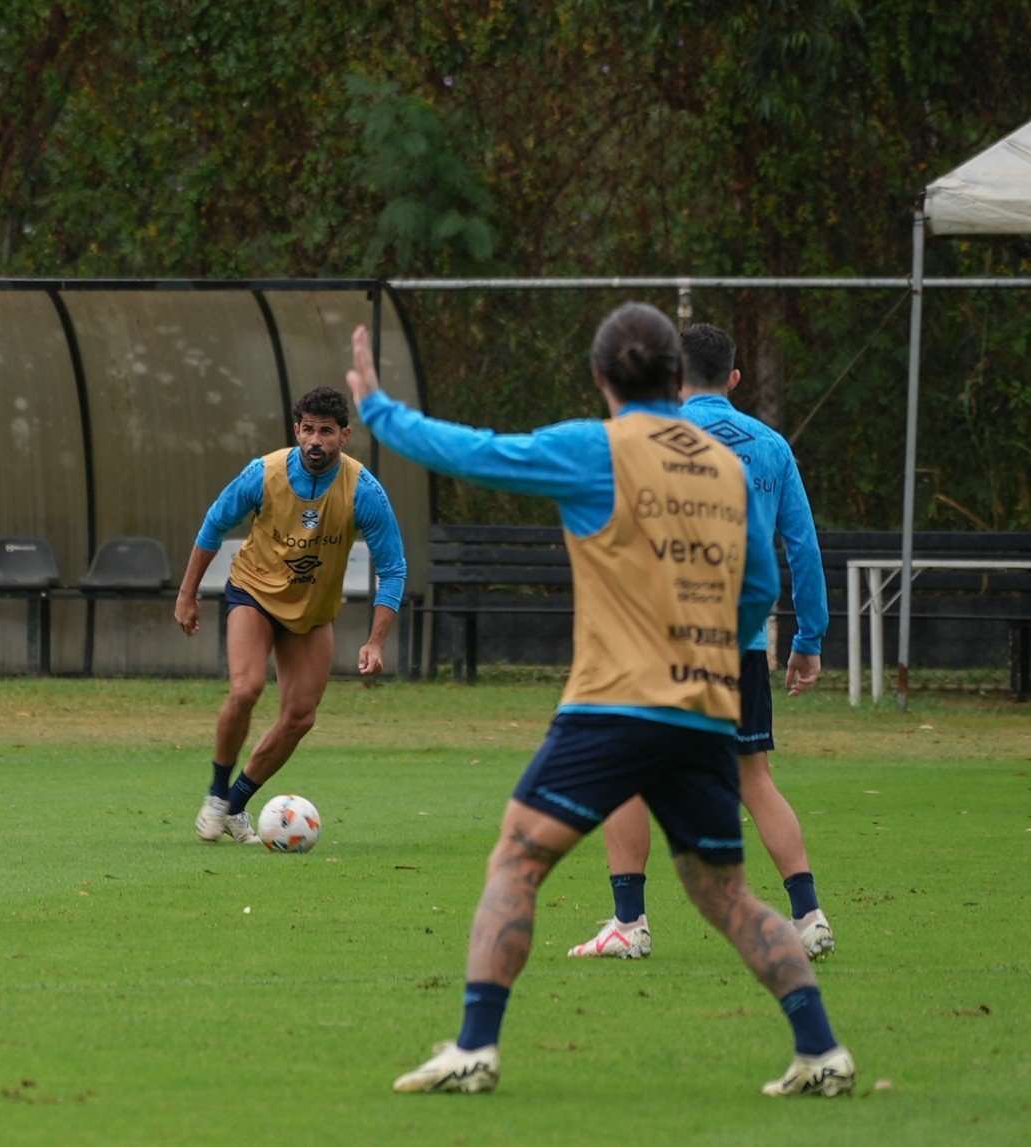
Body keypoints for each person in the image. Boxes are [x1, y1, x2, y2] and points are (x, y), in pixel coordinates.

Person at [348, 304, 853, 1097]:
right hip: (704, 707)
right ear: (673, 378)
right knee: (727, 895)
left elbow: (476, 453)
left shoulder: (598, 448)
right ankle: (822, 1051)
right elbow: (760, 582)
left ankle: (476, 1046)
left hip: (613, 706)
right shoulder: (727, 465)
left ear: (601, 378)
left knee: (516, 856)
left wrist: (379, 411)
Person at [568, 324, 833, 962]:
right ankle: (810, 915)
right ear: (734, 379)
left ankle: (629, 923)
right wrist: (809, 638)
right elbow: (802, 546)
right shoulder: (771, 448)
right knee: (754, 779)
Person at [174, 385, 407, 844]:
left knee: (301, 715)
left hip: (313, 611)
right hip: (254, 595)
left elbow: (394, 567)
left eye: (326, 431)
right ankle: (217, 795)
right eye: (307, 430)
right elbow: (213, 525)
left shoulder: (364, 491)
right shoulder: (263, 474)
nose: (315, 440)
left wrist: (376, 640)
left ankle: (238, 803)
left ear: (345, 435)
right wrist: (187, 594)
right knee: (245, 690)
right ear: (296, 430)